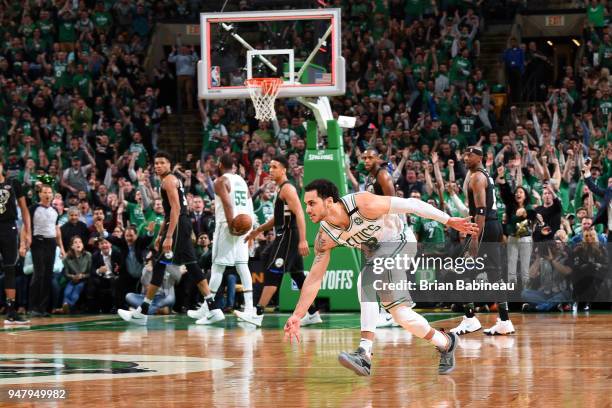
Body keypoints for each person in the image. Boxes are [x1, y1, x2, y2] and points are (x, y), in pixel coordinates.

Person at [283, 179, 478, 376]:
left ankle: (364, 353)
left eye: (311, 203)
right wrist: (298, 315)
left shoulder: (363, 204)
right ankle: (446, 342)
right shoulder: (325, 237)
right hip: (380, 257)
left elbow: (413, 204)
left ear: (329, 201)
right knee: (402, 316)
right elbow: (315, 278)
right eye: (306, 204)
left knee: (366, 279)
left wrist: (449, 220)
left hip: (401, 241)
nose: (307, 209)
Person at [118, 151, 216, 324]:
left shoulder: (168, 181)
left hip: (178, 226)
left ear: (170, 165)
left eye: (162, 163)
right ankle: (213, 307)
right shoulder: (168, 180)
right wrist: (161, 234)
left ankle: (142, 313)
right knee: (190, 266)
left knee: (160, 265)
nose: (158, 166)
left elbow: (176, 209)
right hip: (179, 225)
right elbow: (169, 212)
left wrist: (169, 236)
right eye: (156, 163)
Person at [238, 156, 319, 327]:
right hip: (286, 235)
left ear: (284, 170)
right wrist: (258, 230)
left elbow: (300, 213)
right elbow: (277, 218)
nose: (271, 170)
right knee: (298, 276)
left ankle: (257, 313)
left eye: (275, 167)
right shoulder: (281, 189)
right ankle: (313, 313)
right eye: (270, 167)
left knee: (274, 273)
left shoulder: (287, 189)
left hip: (289, 236)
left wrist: (303, 240)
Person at [450, 146, 515, 336]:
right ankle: (504, 321)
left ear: (480, 157)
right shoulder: (483, 174)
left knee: (459, 272)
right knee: (495, 275)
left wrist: (474, 239)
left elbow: (480, 211)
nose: (465, 157)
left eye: (469, 154)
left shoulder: (477, 177)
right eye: (464, 154)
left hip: (484, 226)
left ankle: (470, 319)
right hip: (493, 226)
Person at [187, 153, 254, 324]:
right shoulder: (241, 180)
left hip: (227, 226)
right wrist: (250, 230)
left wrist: (232, 225)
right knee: (242, 266)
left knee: (217, 266)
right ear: (235, 166)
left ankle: (208, 310)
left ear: (219, 163)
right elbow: (249, 204)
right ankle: (249, 308)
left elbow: (227, 204)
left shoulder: (220, 181)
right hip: (244, 227)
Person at [362, 148, 399, 328]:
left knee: (382, 272)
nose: (366, 160)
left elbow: (393, 203)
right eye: (364, 158)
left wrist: (383, 230)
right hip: (377, 229)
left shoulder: (383, 175)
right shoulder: (370, 177)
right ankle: (388, 312)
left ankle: (391, 311)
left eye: (370, 157)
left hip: (389, 229)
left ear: (379, 158)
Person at [0, 162, 32, 324]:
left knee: (10, 269)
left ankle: (11, 311)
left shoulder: (13, 183)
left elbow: (24, 209)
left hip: (8, 228)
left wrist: (28, 232)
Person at [28, 184, 65, 317]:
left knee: (48, 275)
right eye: (45, 192)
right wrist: (24, 242)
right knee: (39, 273)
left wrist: (61, 248)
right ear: (40, 194)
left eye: (50, 192)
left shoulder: (55, 210)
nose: (47, 195)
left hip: (51, 243)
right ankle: (32, 306)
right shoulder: (33, 208)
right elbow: (25, 227)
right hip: (37, 242)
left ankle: (42, 308)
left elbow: (57, 230)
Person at [61, 236, 91, 313]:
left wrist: (82, 276)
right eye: (76, 242)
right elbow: (66, 273)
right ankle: (66, 305)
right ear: (72, 246)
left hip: (84, 279)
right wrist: (73, 277)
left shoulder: (88, 255)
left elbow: (90, 272)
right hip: (72, 279)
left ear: (83, 245)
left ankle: (67, 306)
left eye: (80, 242)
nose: (78, 244)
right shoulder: (67, 258)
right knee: (67, 291)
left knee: (76, 290)